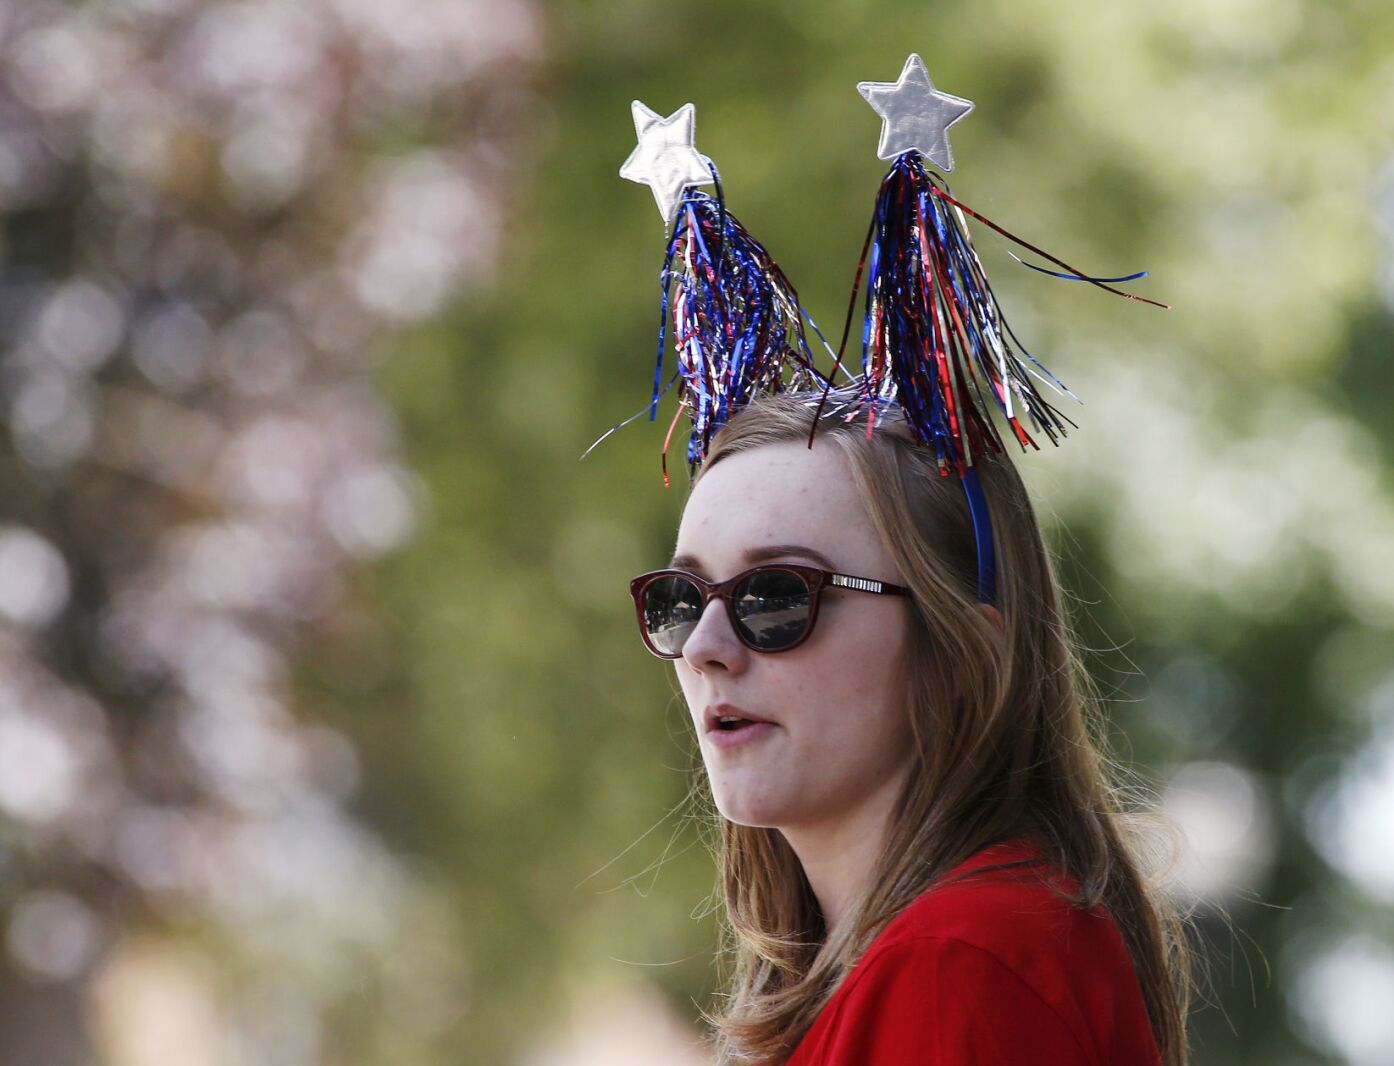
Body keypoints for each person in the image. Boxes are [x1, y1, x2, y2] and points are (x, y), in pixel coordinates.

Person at [628, 392, 1194, 1065]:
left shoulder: (958, 961)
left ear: (957, 654)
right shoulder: (920, 959)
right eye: (680, 601)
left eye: (775, 596)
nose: (702, 648)